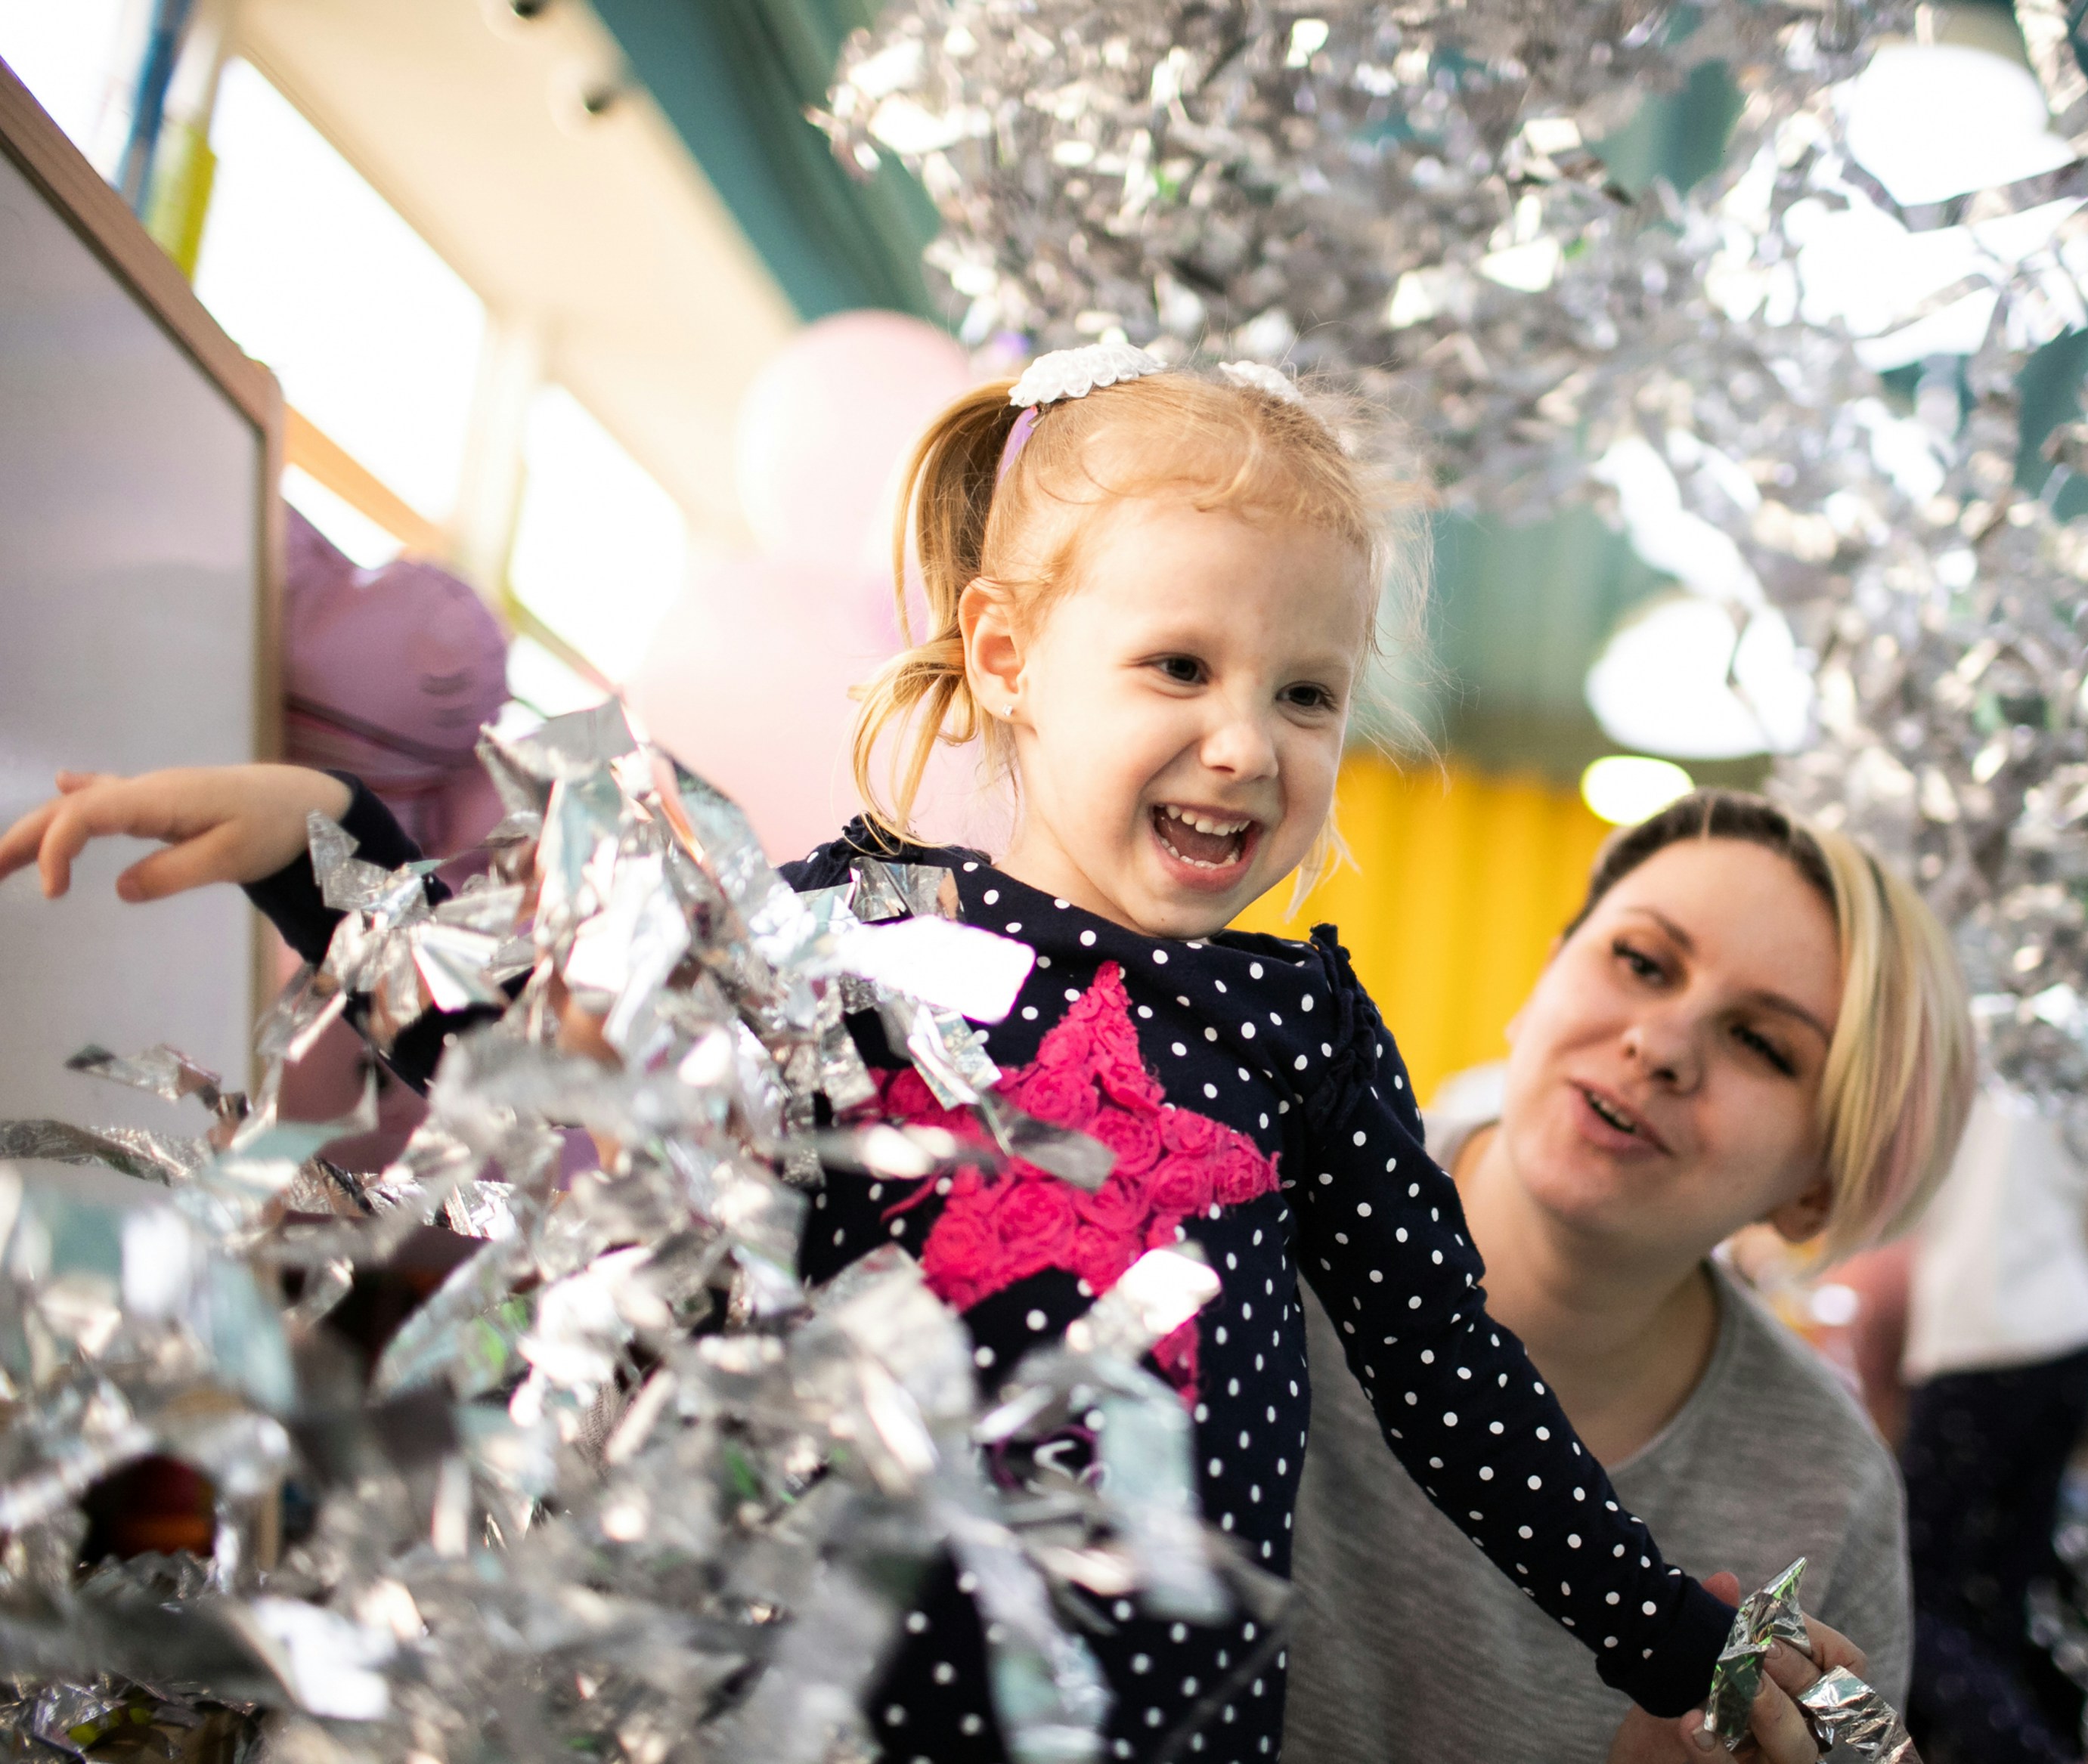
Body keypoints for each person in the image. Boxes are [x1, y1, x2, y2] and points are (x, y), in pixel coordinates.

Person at [0, 347, 1866, 1763]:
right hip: (824, 1687)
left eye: (1307, 692)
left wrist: (1673, 1633)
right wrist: (335, 852)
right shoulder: (849, 924)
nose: (1248, 745)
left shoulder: (1304, 1028)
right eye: (1180, 668)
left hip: (1166, 1718)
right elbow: (552, 1061)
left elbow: (1455, 1386)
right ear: (1008, 655)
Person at [1280, 790, 1976, 1764]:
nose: (1660, 1044)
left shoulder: (1827, 1498)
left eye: (1761, 1044)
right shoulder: (1254, 1220)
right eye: (1640, 962)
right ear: (1546, 972)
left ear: (1816, 1191)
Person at [1896, 1082, 2088, 1764]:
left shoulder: (1954, 1051)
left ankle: (2027, 1750)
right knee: (2002, 1587)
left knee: (1911, 1591)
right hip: (2071, 1327)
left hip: (1978, 1333)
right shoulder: (2083, 1053)